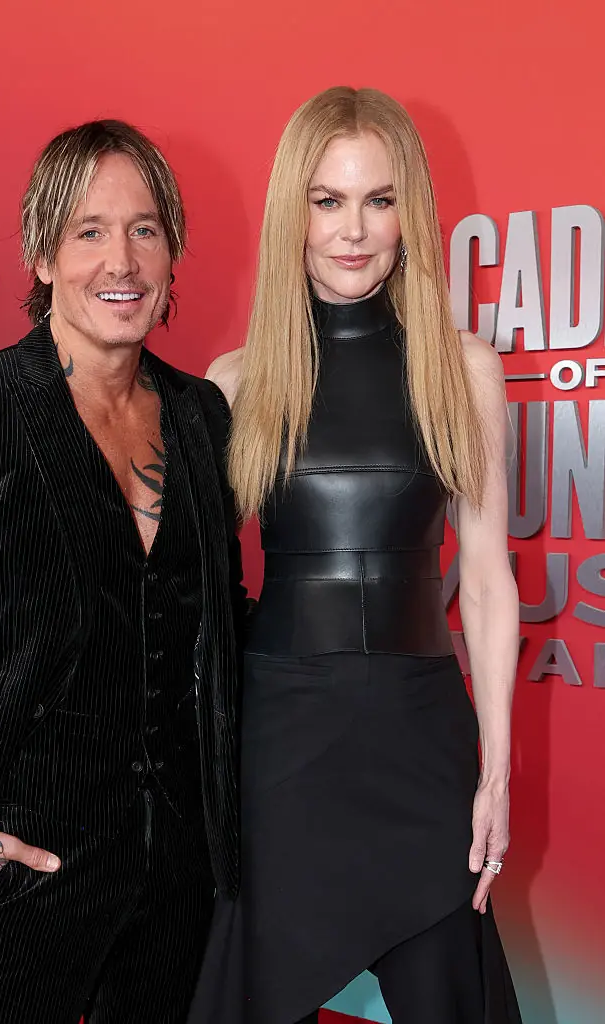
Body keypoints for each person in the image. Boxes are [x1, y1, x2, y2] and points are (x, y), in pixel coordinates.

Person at [0, 119, 246, 1024]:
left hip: (179, 871)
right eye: (89, 231)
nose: (122, 261)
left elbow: (213, 620)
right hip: (22, 862)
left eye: (144, 229)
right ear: (41, 253)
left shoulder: (201, 415)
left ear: (172, 252)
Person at [189, 87, 522, 1023]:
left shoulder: (461, 369)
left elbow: (486, 580)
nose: (353, 231)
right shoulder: (236, 382)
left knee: (448, 992)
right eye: (327, 201)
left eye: (379, 200)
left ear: (409, 212)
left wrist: (495, 771)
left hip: (420, 738)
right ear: (290, 213)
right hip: (280, 742)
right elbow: (191, 588)